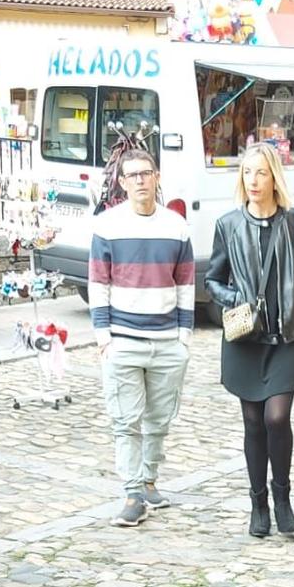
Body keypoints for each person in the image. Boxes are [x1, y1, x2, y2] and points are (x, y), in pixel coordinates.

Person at [205, 142, 294, 540]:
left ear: (274, 178)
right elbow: (212, 280)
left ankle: (282, 496)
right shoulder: (228, 225)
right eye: (247, 172)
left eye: (261, 173)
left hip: (286, 338)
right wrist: (235, 299)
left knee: (277, 418)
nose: (253, 181)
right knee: (253, 423)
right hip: (245, 339)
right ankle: (258, 504)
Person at [89, 147, 194, 528]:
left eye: (145, 173)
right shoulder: (107, 225)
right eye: (132, 175)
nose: (140, 181)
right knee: (125, 421)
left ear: (157, 177)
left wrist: (183, 337)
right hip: (123, 339)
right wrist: (104, 337)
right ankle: (133, 492)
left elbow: (185, 283)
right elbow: (98, 282)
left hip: (166, 340)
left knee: (160, 419)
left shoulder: (176, 226)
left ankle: (149, 479)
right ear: (122, 182)